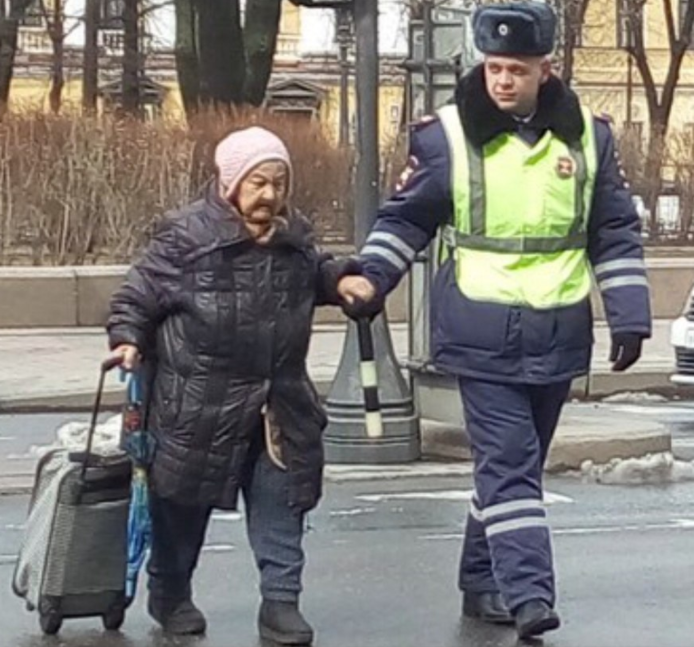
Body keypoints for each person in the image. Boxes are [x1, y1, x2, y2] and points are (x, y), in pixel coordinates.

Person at [336, 1, 652, 639]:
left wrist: (629, 315)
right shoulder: (446, 135)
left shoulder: (590, 135)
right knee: (508, 465)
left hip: (558, 329)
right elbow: (407, 218)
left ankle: (481, 582)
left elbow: (613, 229)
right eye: (494, 67)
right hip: (479, 332)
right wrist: (372, 274)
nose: (502, 80)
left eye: (516, 69)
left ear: (546, 69)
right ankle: (528, 594)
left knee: (516, 470)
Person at [107, 126, 361, 645]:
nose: (269, 194)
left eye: (278, 182)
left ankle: (281, 603)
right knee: (181, 509)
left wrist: (343, 282)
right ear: (230, 182)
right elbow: (137, 295)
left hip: (277, 403)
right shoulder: (186, 238)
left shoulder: (296, 238)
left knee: (282, 503)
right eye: (257, 182)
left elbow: (318, 272)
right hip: (198, 404)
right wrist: (127, 339)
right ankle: (171, 592)